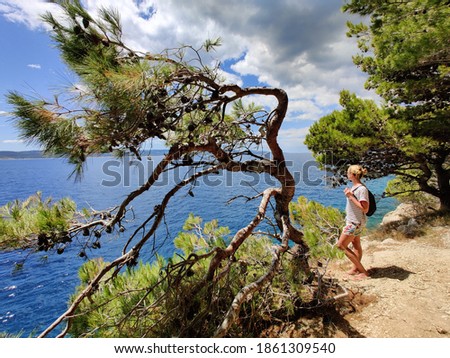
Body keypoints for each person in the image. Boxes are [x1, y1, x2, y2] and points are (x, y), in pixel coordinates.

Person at [337, 165, 370, 280]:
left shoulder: (361, 189)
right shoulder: (355, 187)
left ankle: (363, 272)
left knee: (341, 245)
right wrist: (350, 194)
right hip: (355, 221)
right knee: (356, 245)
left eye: (348, 172)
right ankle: (356, 269)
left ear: (354, 175)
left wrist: (350, 196)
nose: (347, 174)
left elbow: (365, 208)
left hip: (354, 223)